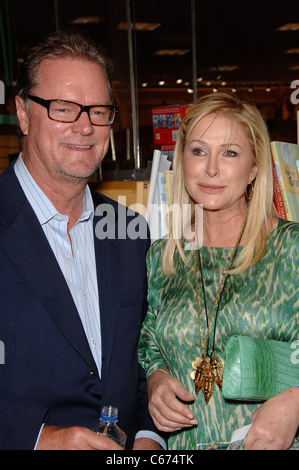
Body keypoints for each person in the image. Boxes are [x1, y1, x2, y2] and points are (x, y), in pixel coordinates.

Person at [0, 30, 165, 450]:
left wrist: (149, 435)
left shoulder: (130, 230)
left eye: (99, 110)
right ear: (23, 113)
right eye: (63, 108)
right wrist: (41, 439)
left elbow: (146, 357)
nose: (85, 126)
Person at [138, 92, 299, 450]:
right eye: (198, 151)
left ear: (254, 168)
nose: (211, 169)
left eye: (229, 153)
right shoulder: (162, 257)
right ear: (182, 161)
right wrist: (157, 380)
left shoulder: (291, 249)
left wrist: (296, 401)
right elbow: (149, 344)